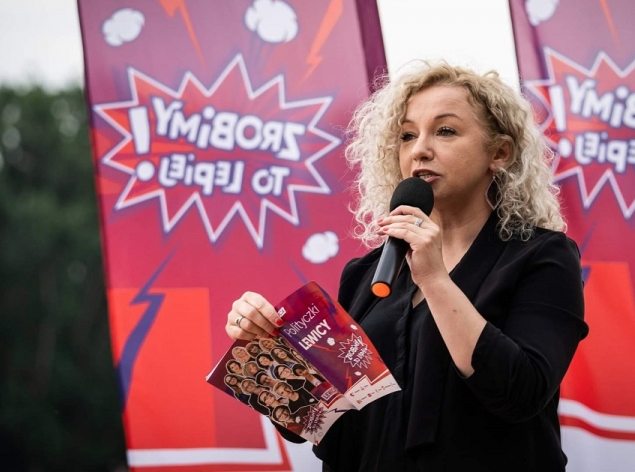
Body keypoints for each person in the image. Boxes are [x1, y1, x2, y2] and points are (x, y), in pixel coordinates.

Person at [225, 62, 588, 470]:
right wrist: (270, 348)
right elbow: (323, 424)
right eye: (407, 135)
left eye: (445, 131)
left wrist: (434, 279)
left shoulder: (543, 257)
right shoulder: (366, 274)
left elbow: (520, 392)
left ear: (499, 153)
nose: (420, 150)